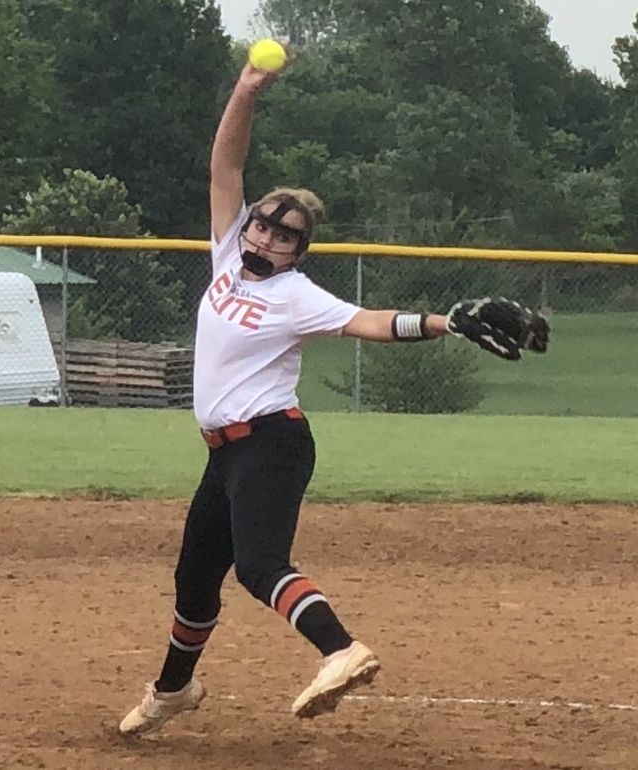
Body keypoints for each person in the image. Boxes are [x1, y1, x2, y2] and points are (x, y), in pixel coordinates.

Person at [119, 50, 548, 738]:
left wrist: (444, 322)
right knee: (195, 578)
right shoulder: (227, 256)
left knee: (258, 565)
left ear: (299, 251)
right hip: (224, 453)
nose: (267, 235)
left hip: (272, 444)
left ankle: (341, 650)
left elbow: (368, 322)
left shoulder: (296, 295)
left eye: (285, 235)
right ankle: (173, 689)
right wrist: (245, 90)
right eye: (263, 223)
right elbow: (225, 167)